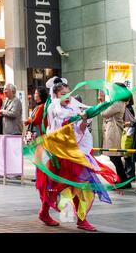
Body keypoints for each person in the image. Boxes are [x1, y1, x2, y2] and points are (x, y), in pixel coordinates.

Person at [37, 82, 119, 232]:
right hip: (59, 154)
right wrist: (77, 116)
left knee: (82, 186)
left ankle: (82, 219)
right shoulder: (53, 107)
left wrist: (84, 119)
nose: (67, 97)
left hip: (75, 153)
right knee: (56, 186)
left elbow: (80, 131)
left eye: (69, 94)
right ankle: (44, 212)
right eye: (63, 94)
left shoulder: (74, 108)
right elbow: (60, 119)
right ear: (55, 95)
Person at [101, 83, 129, 189]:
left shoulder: (117, 103)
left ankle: (123, 180)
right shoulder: (119, 102)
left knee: (115, 157)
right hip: (113, 129)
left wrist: (102, 103)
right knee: (114, 157)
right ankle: (123, 179)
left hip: (113, 131)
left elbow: (104, 113)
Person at [24, 87, 48, 182]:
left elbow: (36, 120)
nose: (35, 95)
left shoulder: (41, 106)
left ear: (41, 95)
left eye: (36, 93)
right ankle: (38, 175)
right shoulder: (39, 106)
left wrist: (28, 120)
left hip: (39, 134)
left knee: (39, 155)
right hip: (37, 133)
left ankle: (39, 176)